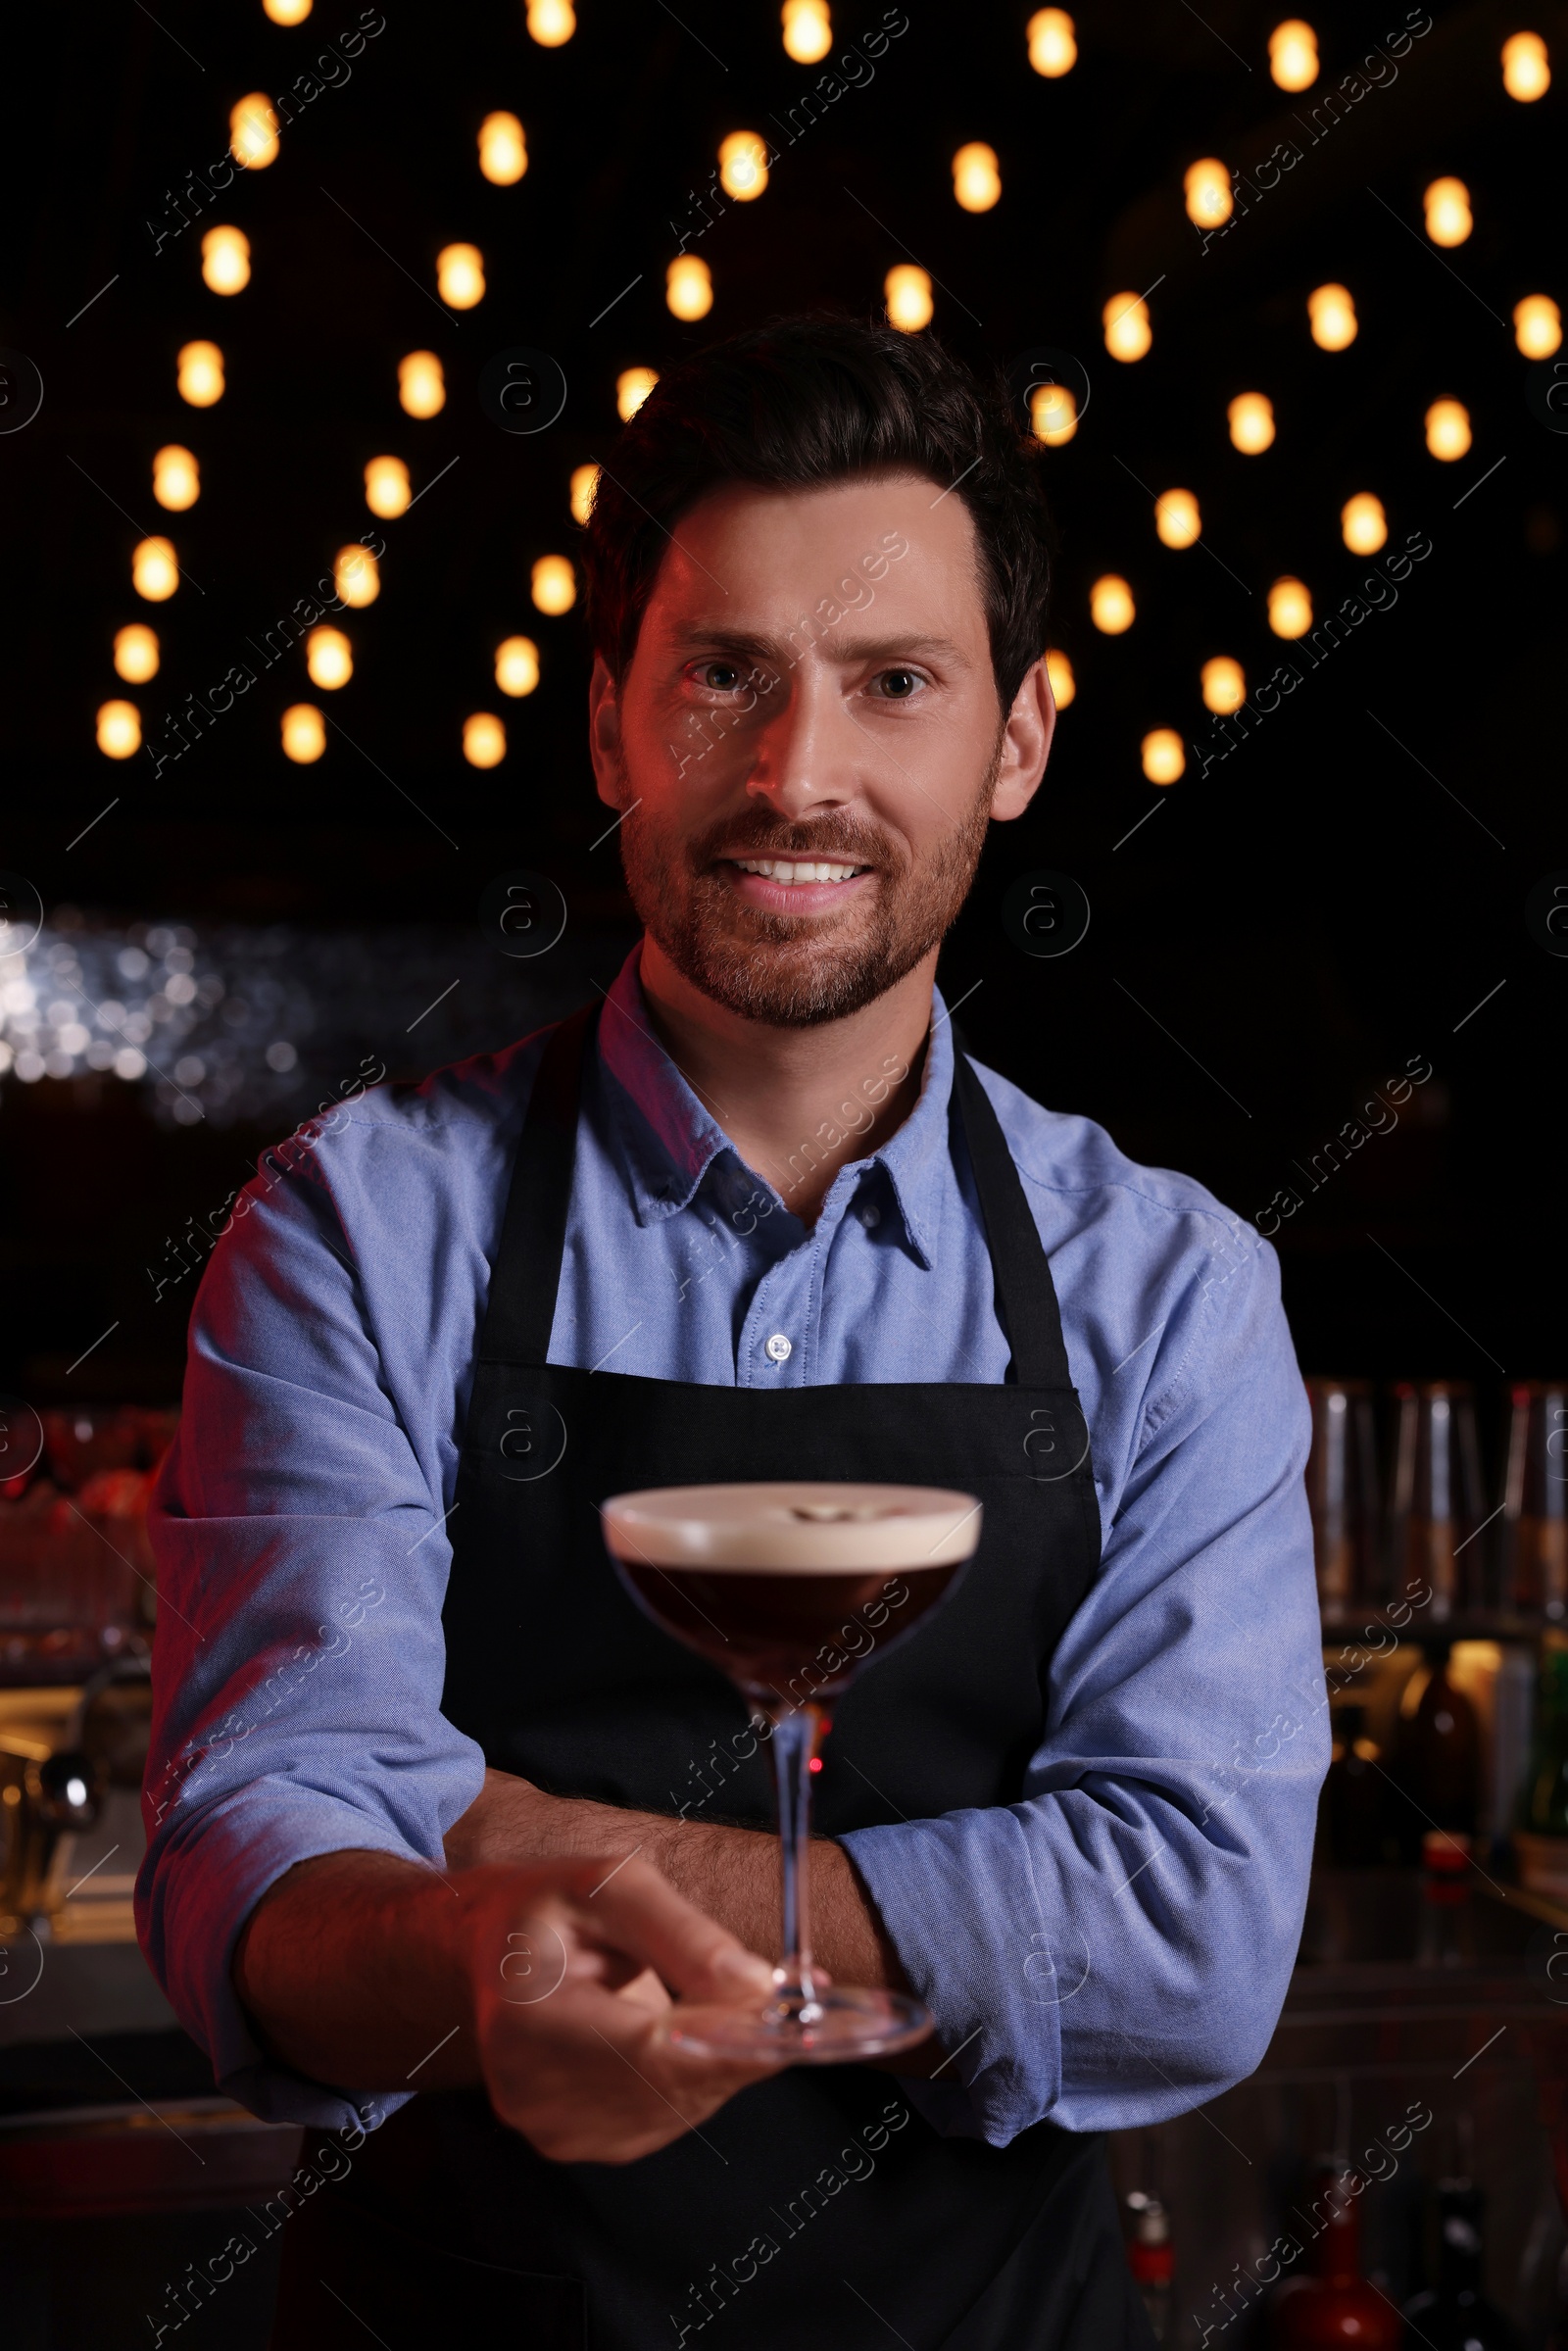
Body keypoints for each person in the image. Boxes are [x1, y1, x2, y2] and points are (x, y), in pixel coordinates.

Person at [138, 315, 1328, 2349]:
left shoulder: (1170, 1287)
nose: (796, 776)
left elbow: (1191, 1940)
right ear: (607, 720)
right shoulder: (352, 1227)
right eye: (722, 678)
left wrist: (518, 1847)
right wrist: (478, 1942)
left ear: (1015, 741)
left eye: (891, 685)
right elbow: (256, 1861)